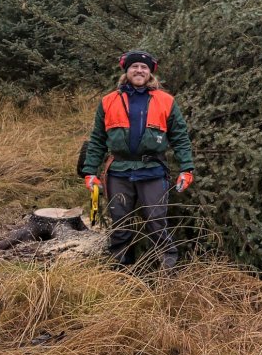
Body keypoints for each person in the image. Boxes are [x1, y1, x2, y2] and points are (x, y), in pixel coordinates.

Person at [81, 50, 195, 269]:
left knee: (156, 222)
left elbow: (180, 138)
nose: (139, 70)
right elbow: (97, 139)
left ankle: (167, 270)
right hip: (119, 172)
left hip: (152, 170)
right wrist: (90, 173)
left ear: (150, 73)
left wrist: (186, 169)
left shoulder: (166, 101)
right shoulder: (108, 101)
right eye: (134, 67)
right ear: (127, 71)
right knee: (121, 224)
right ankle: (121, 272)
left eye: (144, 68)